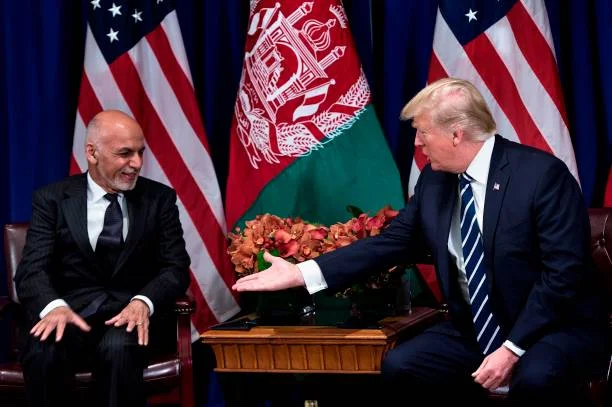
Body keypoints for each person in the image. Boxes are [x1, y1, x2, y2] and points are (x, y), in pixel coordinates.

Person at [233, 78, 607, 405]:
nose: (417, 142)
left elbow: (562, 276)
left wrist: (512, 348)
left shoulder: (541, 176)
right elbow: (390, 243)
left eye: (423, 131)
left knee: (536, 378)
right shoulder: (434, 181)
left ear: (456, 134)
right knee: (403, 365)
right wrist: (302, 273)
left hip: (550, 328)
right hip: (476, 332)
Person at [14, 110, 191, 407]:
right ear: (92, 153)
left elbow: (176, 268)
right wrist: (53, 307)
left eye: (140, 152)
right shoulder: (52, 199)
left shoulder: (159, 199)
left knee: (119, 349)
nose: (137, 163)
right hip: (69, 313)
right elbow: (31, 270)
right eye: (125, 153)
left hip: (127, 317)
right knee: (45, 349)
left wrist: (143, 302)